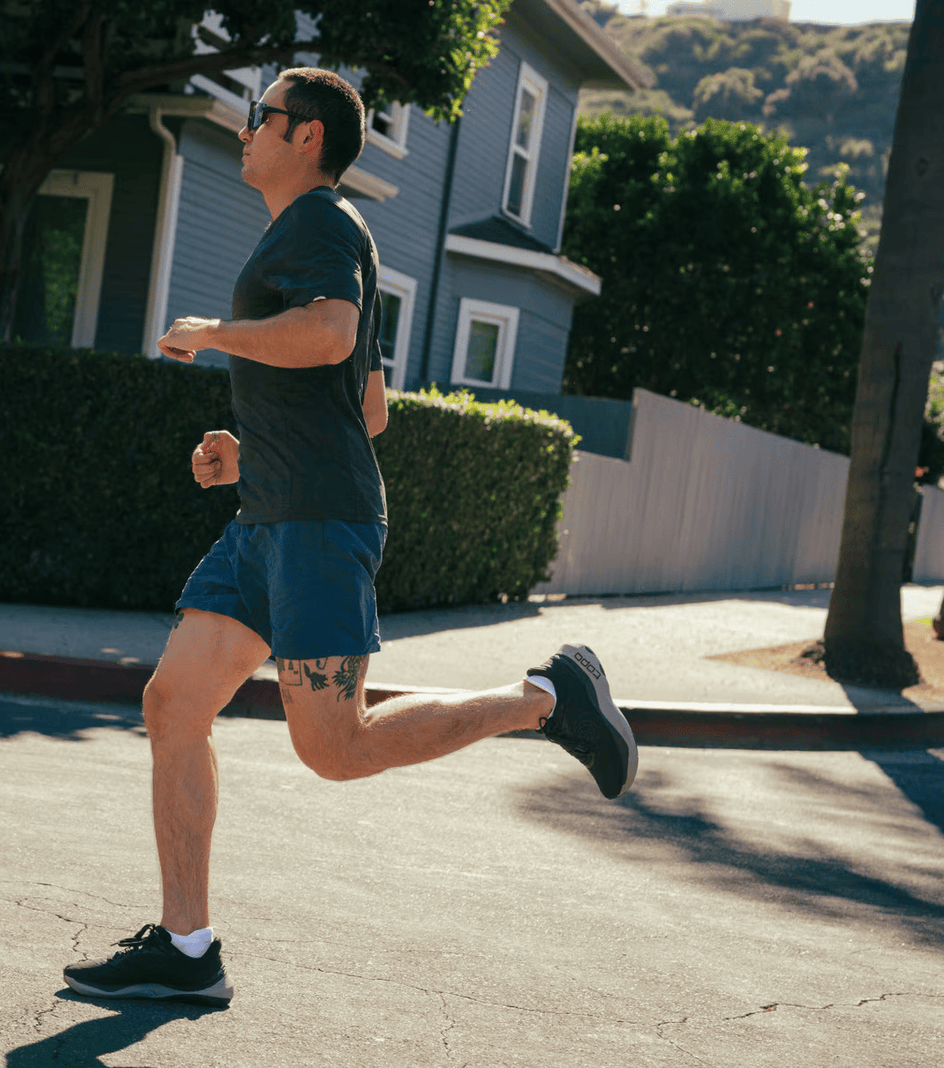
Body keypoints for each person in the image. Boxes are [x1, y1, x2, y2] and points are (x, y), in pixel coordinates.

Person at [63, 67, 637, 1009]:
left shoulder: (325, 225)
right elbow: (364, 407)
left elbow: (328, 338)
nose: (247, 127)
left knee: (335, 748)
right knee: (173, 704)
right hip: (268, 521)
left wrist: (216, 332)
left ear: (307, 138)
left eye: (263, 116)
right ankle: (186, 945)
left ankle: (546, 697)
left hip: (320, 528)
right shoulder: (308, 237)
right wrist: (251, 455)